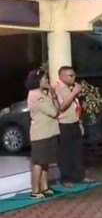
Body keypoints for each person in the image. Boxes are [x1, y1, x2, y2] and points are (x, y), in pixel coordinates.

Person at [26, 69, 60, 198]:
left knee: (45, 161)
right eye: (45, 78)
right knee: (39, 162)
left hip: (49, 132)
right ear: (38, 80)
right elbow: (53, 111)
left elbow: (58, 108)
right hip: (40, 134)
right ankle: (35, 190)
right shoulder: (35, 95)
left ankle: (45, 187)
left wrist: (53, 94)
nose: (47, 81)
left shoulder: (43, 94)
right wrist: (54, 104)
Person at [54, 66, 88, 188]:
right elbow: (61, 107)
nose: (74, 77)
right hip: (64, 125)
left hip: (74, 123)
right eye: (70, 75)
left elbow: (75, 107)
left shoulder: (70, 88)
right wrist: (74, 93)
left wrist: (79, 122)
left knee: (77, 151)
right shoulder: (57, 88)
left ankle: (79, 176)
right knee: (66, 153)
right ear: (62, 76)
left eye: (74, 75)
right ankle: (66, 178)